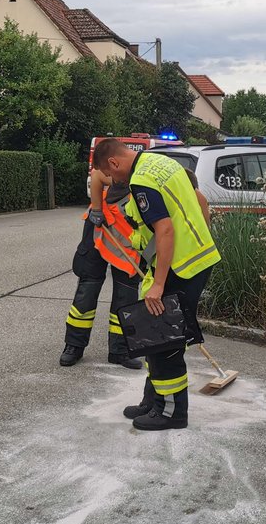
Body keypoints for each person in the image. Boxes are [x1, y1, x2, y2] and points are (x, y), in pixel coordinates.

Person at [92, 140, 220, 431]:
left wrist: (158, 284)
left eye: (109, 175)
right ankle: (154, 401)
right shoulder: (159, 162)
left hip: (181, 266)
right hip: (191, 261)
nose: (114, 181)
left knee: (165, 341)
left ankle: (173, 412)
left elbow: (165, 229)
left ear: (113, 163)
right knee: (155, 336)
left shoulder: (141, 181)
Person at [59, 165, 145, 370]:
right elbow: (97, 175)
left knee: (127, 294)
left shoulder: (153, 194)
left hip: (127, 243)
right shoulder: (129, 174)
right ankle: (74, 346)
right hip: (100, 229)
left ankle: (120, 350)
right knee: (87, 289)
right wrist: (97, 210)